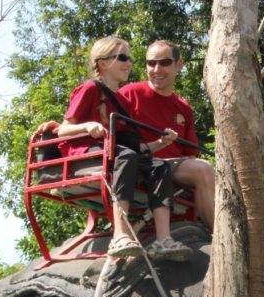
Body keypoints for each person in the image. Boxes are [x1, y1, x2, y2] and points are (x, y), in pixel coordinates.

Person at [56, 36, 191, 261]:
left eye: (129, 58)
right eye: (122, 57)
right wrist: (88, 126)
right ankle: (120, 235)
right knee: (126, 156)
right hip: (87, 155)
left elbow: (131, 146)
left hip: (115, 153)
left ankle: (163, 239)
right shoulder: (90, 89)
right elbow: (63, 130)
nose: (129, 63)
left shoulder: (123, 102)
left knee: (159, 167)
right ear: (102, 63)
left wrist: (161, 144)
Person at [118, 40, 215, 231]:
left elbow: (189, 154)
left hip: (174, 167)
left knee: (220, 177)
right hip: (142, 164)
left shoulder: (183, 107)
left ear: (179, 65)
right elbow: (102, 120)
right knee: (204, 170)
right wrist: (60, 126)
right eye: (151, 63)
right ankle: (222, 239)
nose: (156, 69)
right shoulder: (130, 93)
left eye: (164, 62)